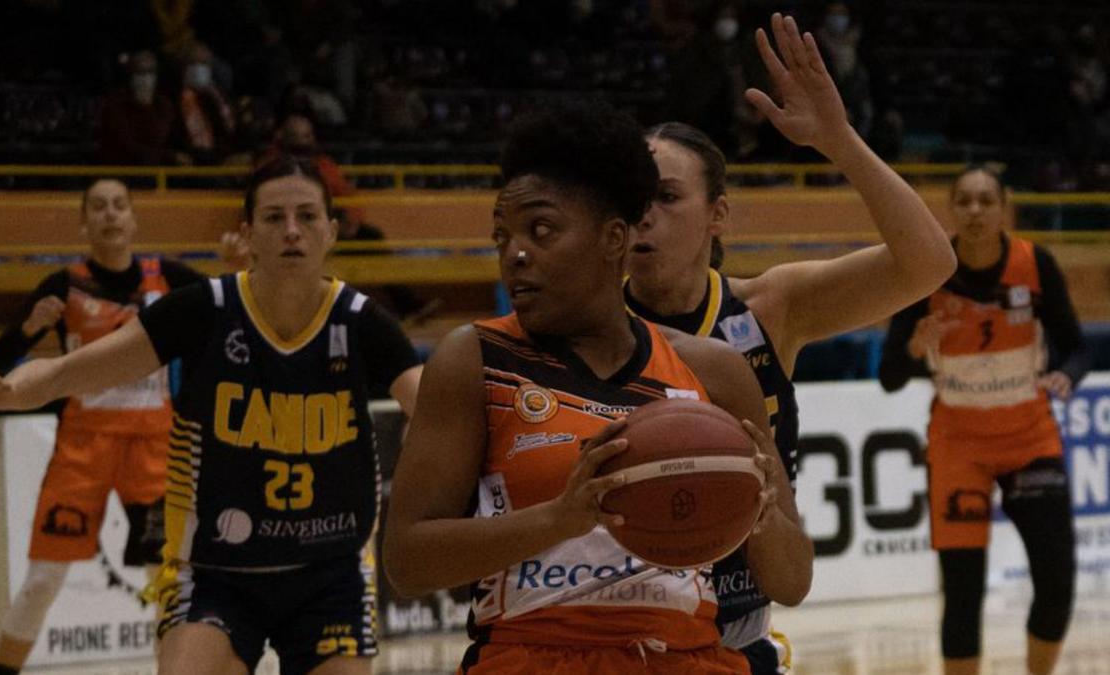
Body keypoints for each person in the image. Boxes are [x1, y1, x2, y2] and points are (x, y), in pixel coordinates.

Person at [0, 156, 422, 675]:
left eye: (307, 217)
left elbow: (437, 414)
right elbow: (70, 371)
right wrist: (7, 391)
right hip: (216, 571)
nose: (291, 231)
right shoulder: (202, 310)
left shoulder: (364, 324)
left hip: (331, 570)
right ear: (247, 234)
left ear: (330, 232)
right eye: (273, 218)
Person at [381, 98, 812, 673]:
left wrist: (755, 511)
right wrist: (559, 519)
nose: (516, 254)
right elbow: (407, 561)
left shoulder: (713, 369)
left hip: (686, 658)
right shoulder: (476, 358)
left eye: (540, 230)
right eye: (502, 237)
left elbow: (793, 580)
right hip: (530, 656)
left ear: (613, 239)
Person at [623, 13, 957, 673]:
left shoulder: (769, 307)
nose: (645, 215)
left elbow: (929, 262)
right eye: (632, 198)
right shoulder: (587, 326)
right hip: (619, 635)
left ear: (718, 215)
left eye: (665, 196)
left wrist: (839, 140)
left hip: (737, 634)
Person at [0, 178, 203, 675]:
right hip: (83, 444)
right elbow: (0, 356)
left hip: (154, 445)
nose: (110, 215)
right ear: (84, 222)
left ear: (133, 219)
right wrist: (32, 327)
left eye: (119, 205)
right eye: (98, 207)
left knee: (166, 579)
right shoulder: (64, 284)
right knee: (43, 578)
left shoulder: (167, 276)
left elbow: (225, 311)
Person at [879, 166, 1086, 675]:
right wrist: (913, 346)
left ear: (1003, 207)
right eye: (965, 201)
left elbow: (1076, 347)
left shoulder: (1034, 263)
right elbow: (888, 375)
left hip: (1029, 438)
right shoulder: (927, 270)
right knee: (963, 592)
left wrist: (1064, 374)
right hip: (958, 445)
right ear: (951, 209)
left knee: (1057, 580)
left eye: (985, 201)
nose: (974, 211)